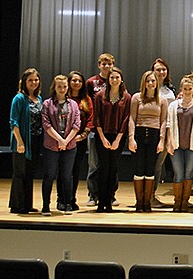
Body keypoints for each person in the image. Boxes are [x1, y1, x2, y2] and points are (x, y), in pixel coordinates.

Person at [40, 75, 81, 216]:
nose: (62, 89)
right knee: (49, 175)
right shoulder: (47, 104)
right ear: (54, 87)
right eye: (59, 86)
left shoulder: (73, 104)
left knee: (67, 175)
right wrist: (59, 140)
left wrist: (66, 141)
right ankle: (46, 206)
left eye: (64, 86)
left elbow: (77, 125)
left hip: (70, 146)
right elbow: (46, 124)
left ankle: (68, 204)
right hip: (51, 145)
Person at [128, 71, 168, 212]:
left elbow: (163, 121)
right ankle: (139, 202)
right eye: (148, 81)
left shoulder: (162, 100)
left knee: (150, 170)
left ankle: (147, 202)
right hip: (139, 134)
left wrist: (161, 140)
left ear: (157, 83)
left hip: (154, 135)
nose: (150, 83)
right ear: (144, 83)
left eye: (153, 81)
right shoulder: (136, 98)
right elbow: (132, 118)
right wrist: (131, 138)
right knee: (139, 169)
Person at [93, 67, 131, 213]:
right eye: (112, 78)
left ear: (121, 79)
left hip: (118, 137)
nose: (114, 80)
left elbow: (126, 119)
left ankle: (109, 201)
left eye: (117, 77)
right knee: (103, 168)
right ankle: (100, 202)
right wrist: (102, 138)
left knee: (112, 169)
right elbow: (97, 118)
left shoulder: (126, 97)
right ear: (108, 80)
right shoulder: (100, 96)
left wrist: (118, 139)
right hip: (102, 136)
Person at [167, 76, 193, 212]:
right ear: (181, 89)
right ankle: (177, 201)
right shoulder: (173, 105)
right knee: (178, 173)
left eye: (190, 89)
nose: (187, 91)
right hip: (176, 145)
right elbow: (168, 125)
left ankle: (185, 202)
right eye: (185, 89)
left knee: (188, 173)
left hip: (192, 145)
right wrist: (169, 143)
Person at [9, 68, 43, 214]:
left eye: (36, 80)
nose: (33, 83)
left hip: (35, 141)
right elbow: (13, 122)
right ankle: (17, 205)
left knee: (30, 173)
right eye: (30, 80)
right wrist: (20, 142)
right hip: (22, 141)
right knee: (20, 173)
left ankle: (27, 204)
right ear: (24, 82)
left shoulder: (39, 98)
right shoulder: (19, 98)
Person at [85, 53, 115, 207]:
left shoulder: (116, 80)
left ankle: (111, 195)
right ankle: (92, 194)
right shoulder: (91, 82)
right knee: (94, 163)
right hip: (95, 128)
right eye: (103, 63)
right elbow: (88, 104)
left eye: (109, 63)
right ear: (99, 65)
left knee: (111, 164)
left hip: (112, 129)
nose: (106, 66)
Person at [62, 71, 93, 212]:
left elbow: (91, 119)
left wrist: (83, 135)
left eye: (79, 81)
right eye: (74, 80)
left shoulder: (86, 99)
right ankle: (61, 199)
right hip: (62, 140)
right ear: (69, 82)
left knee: (75, 170)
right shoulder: (63, 98)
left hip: (79, 140)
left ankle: (71, 199)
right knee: (63, 170)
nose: (77, 83)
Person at [150, 58, 176, 208]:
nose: (161, 72)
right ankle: (145, 196)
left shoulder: (169, 90)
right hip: (150, 131)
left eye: (163, 69)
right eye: (158, 69)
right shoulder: (148, 88)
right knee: (148, 165)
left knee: (158, 165)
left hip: (166, 131)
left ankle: (152, 195)